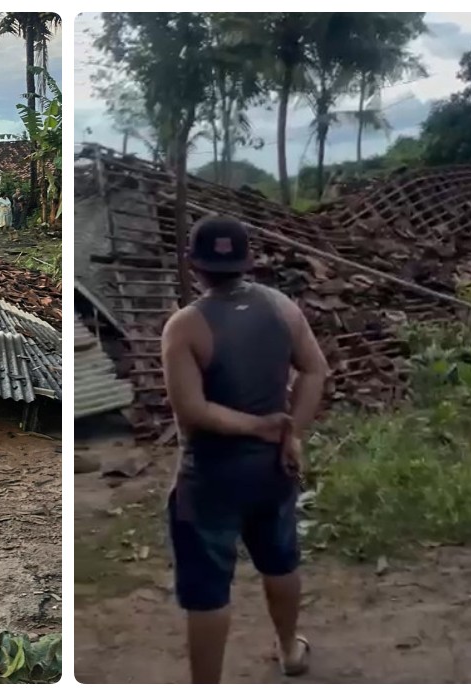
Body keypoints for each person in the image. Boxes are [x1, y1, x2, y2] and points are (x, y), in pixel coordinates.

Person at [160, 216, 329, 683]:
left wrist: (261, 427)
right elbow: (316, 371)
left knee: (208, 591)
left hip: (209, 477)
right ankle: (290, 651)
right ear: (245, 261)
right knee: (280, 560)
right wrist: (289, 433)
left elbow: (192, 411)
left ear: (193, 264)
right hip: (272, 470)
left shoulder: (185, 327)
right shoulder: (282, 309)